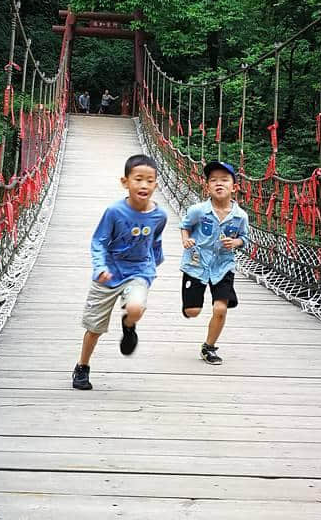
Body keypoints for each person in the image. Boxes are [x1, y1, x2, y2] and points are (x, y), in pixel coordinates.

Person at [72, 154, 168, 391]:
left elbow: (155, 241)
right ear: (125, 182)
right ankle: (82, 367)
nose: (143, 185)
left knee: (136, 307)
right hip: (109, 273)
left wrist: (153, 265)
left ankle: (129, 326)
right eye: (138, 179)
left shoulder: (160, 215)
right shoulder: (114, 211)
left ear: (156, 184)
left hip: (139, 271)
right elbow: (99, 241)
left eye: (149, 180)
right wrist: (100, 267)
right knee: (94, 328)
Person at [180, 160, 249, 365]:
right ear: (207, 186)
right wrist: (186, 239)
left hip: (223, 265)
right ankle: (190, 304)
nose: (219, 183)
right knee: (192, 312)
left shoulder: (240, 216)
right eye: (213, 180)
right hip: (196, 264)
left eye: (224, 180)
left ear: (234, 187)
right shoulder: (198, 210)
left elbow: (244, 239)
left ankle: (209, 347)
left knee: (220, 308)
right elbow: (185, 226)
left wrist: (235, 242)